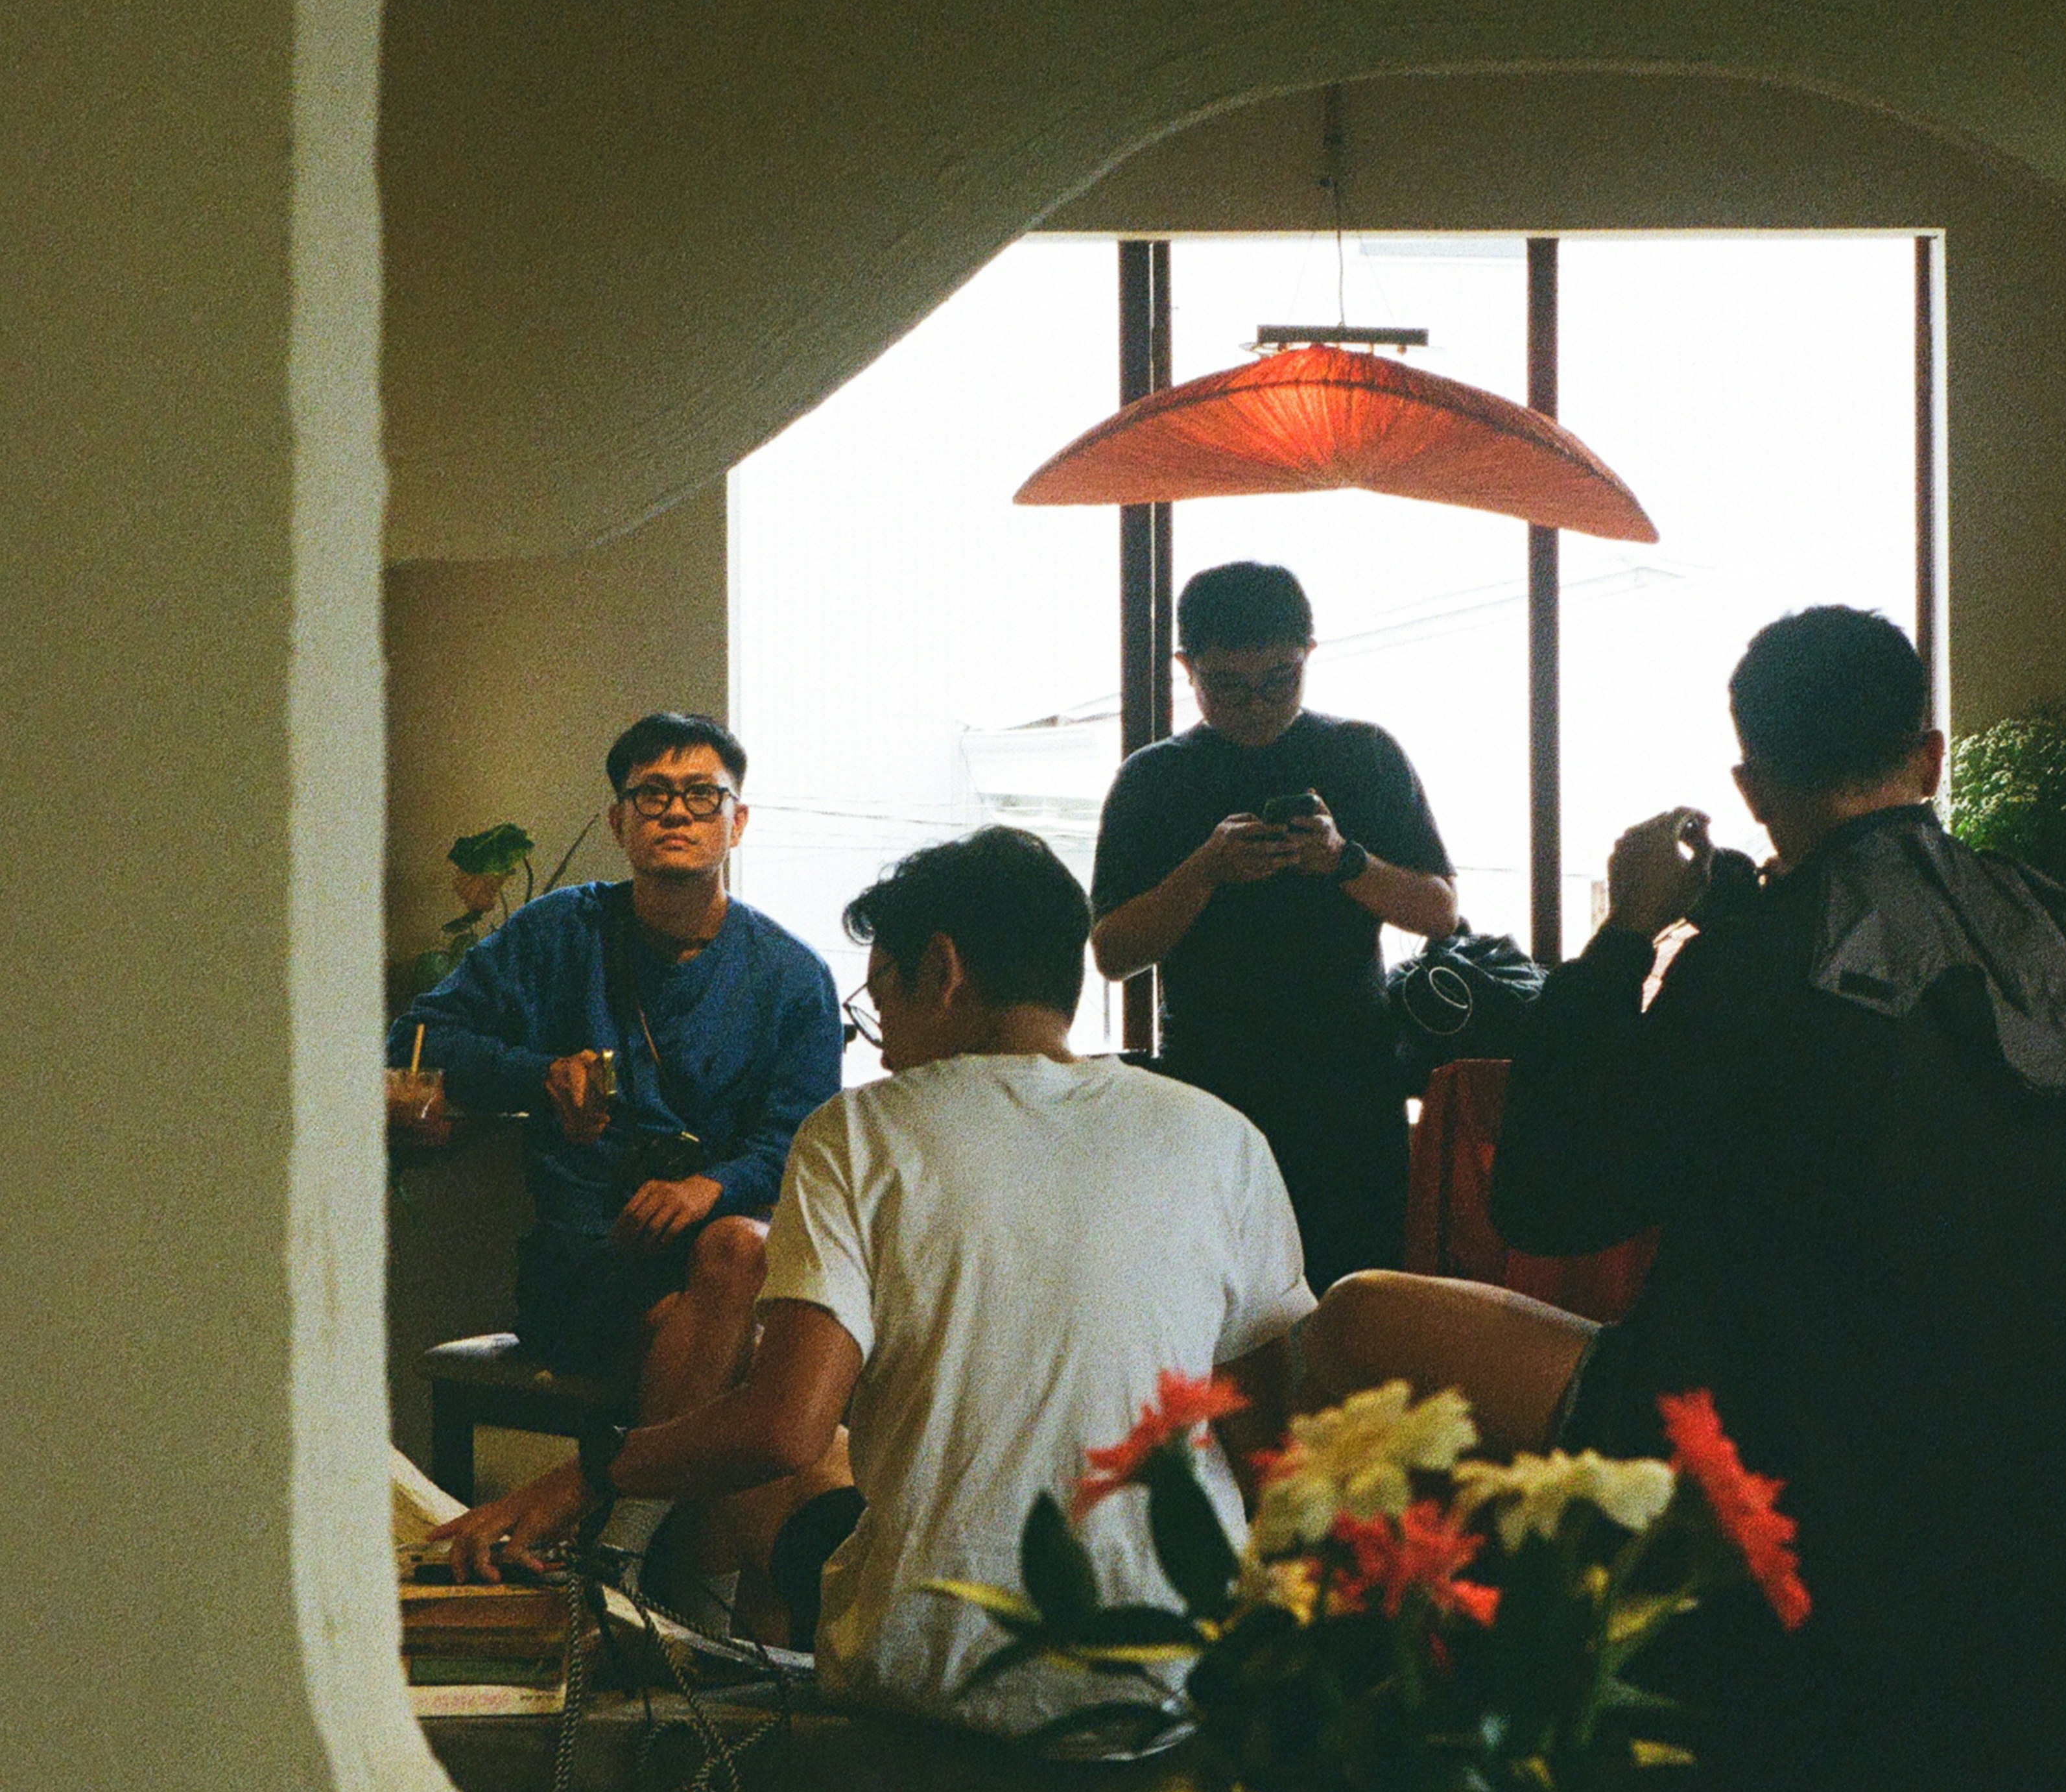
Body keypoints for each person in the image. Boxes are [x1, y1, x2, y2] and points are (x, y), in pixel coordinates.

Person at [1302, 607, 2066, 1792]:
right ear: (1931, 755)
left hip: (1802, 1460)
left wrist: (1621, 942)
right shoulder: (2056, 926)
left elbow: (1548, 1205)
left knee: (1355, 1321)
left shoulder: (1760, 959)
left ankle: (1433, 1789)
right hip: (2063, 1483)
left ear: (1749, 786)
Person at [425, 829, 1314, 1730]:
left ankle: (680, 1639)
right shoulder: (1220, 1136)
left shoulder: (863, 1133)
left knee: (781, 1453)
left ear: (942, 969)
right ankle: (698, 1633)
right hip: (1178, 1671)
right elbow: (1270, 1448)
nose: (882, 1047)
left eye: (881, 996)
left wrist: (590, 1471)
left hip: (935, 1673)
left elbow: (782, 1429)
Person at [388, 710, 843, 1429]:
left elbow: (804, 1145)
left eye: (702, 796)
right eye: (652, 796)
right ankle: (635, 1523)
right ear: (617, 821)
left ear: (738, 820)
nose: (676, 815)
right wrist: (539, 1073)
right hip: (585, 1263)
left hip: (725, 1261)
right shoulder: (558, 932)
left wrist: (708, 1187)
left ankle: (618, 1523)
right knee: (748, 1373)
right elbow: (417, 1038)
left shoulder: (792, 975)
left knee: (735, 1256)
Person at [1089, 560, 1458, 1289]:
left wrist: (1342, 861)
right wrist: (1202, 873)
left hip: (1352, 1087)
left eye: (1280, 680)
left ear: (1309, 657)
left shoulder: (1364, 755)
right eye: (1227, 685)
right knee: (1219, 1315)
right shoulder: (1153, 779)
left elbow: (1439, 911)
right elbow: (1112, 954)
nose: (1256, 705)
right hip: (1209, 1087)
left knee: (1356, 1305)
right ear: (1186, 668)